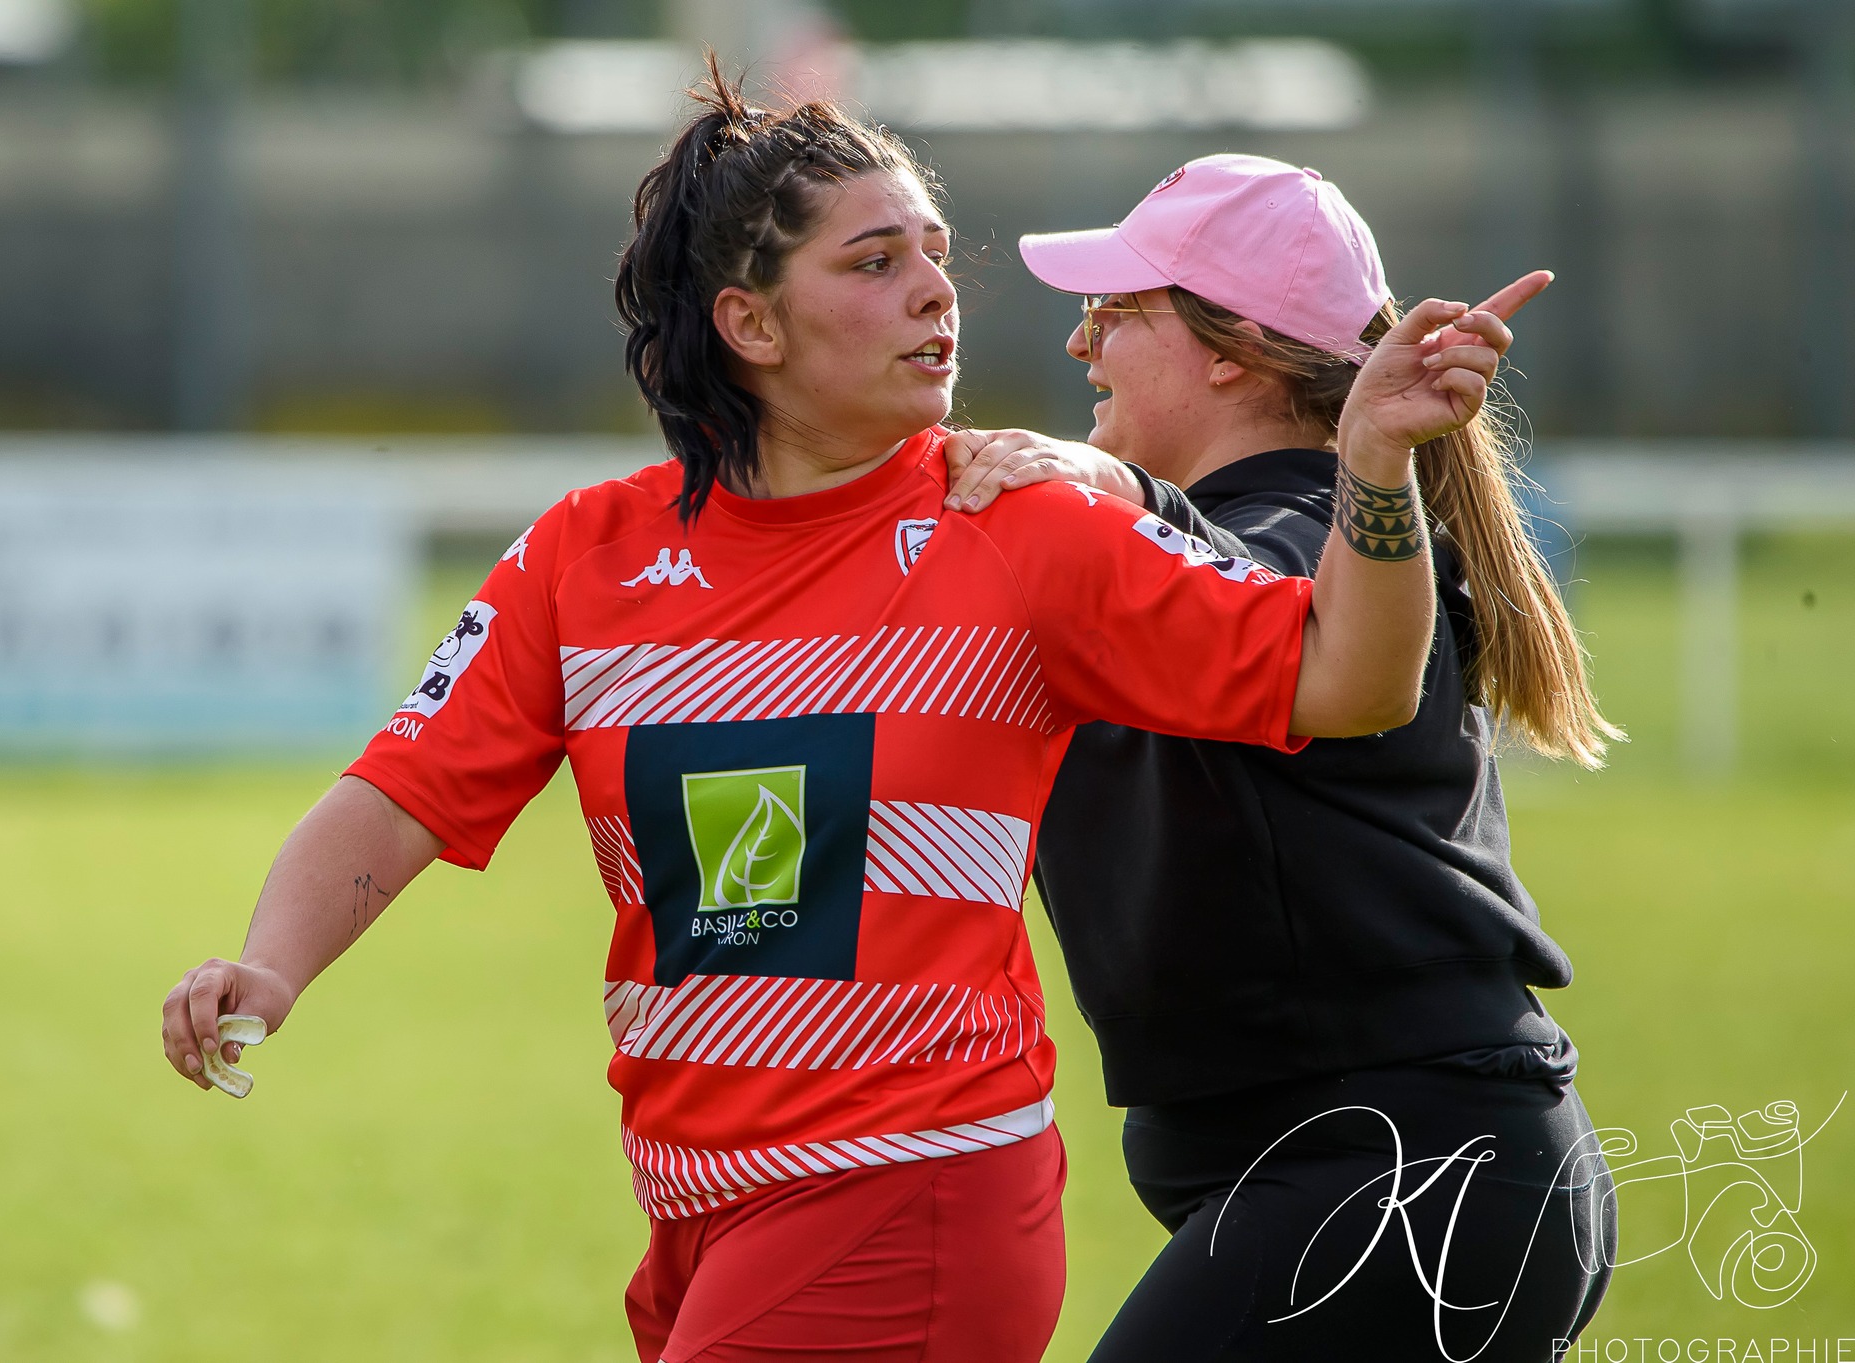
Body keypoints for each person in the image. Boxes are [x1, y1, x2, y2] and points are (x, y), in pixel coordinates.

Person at [159, 73, 1501, 1361]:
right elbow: (404, 789)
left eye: (934, 254)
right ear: (750, 323)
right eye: (874, 263)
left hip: (914, 1182)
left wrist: (1375, 462)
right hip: (697, 1206)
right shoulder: (586, 555)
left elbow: (1352, 679)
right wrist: (270, 964)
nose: (935, 291)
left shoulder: (1022, 523)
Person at [943, 153, 1620, 1362]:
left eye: (1115, 311)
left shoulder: (1320, 540)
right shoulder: (1167, 547)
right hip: (1392, 1177)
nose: (1078, 345)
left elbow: (1254, 599)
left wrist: (1117, 486)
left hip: (1397, 1174)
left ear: (1229, 349)